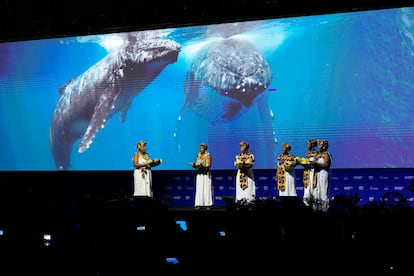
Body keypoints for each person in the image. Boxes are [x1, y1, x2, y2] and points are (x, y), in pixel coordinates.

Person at [190, 143, 213, 210]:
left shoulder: (208, 155)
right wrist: (194, 165)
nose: (200, 149)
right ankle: (198, 204)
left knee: (206, 189)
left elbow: (209, 165)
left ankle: (208, 205)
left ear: (205, 148)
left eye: (202, 148)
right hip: (199, 173)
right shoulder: (198, 155)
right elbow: (197, 164)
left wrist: (202, 165)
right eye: (200, 148)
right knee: (199, 189)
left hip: (206, 173)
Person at [313, 139, 332, 212]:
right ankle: (318, 209)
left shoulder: (326, 154)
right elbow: (313, 160)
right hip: (318, 173)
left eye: (320, 145)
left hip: (324, 173)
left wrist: (316, 163)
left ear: (324, 146)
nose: (319, 147)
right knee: (318, 191)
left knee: (324, 191)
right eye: (318, 145)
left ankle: (325, 209)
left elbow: (326, 164)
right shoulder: (319, 154)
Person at [301, 139, 319, 207]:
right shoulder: (307, 153)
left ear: (312, 145)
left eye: (308, 144)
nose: (307, 145)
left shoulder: (316, 153)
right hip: (307, 173)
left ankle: (315, 208)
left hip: (313, 173)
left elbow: (315, 164)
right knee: (307, 191)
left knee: (313, 191)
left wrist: (306, 164)